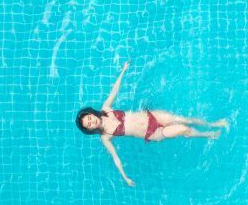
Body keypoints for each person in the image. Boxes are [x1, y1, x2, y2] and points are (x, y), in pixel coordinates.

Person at [76, 62, 228, 186]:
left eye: (89, 118)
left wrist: (123, 70)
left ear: (91, 113)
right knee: (184, 129)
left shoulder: (106, 109)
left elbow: (114, 91)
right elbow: (115, 157)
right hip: (153, 133)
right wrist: (125, 177)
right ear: (90, 129)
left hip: (152, 116)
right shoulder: (105, 136)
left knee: (184, 119)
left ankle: (213, 123)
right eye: (89, 125)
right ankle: (208, 134)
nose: (91, 121)